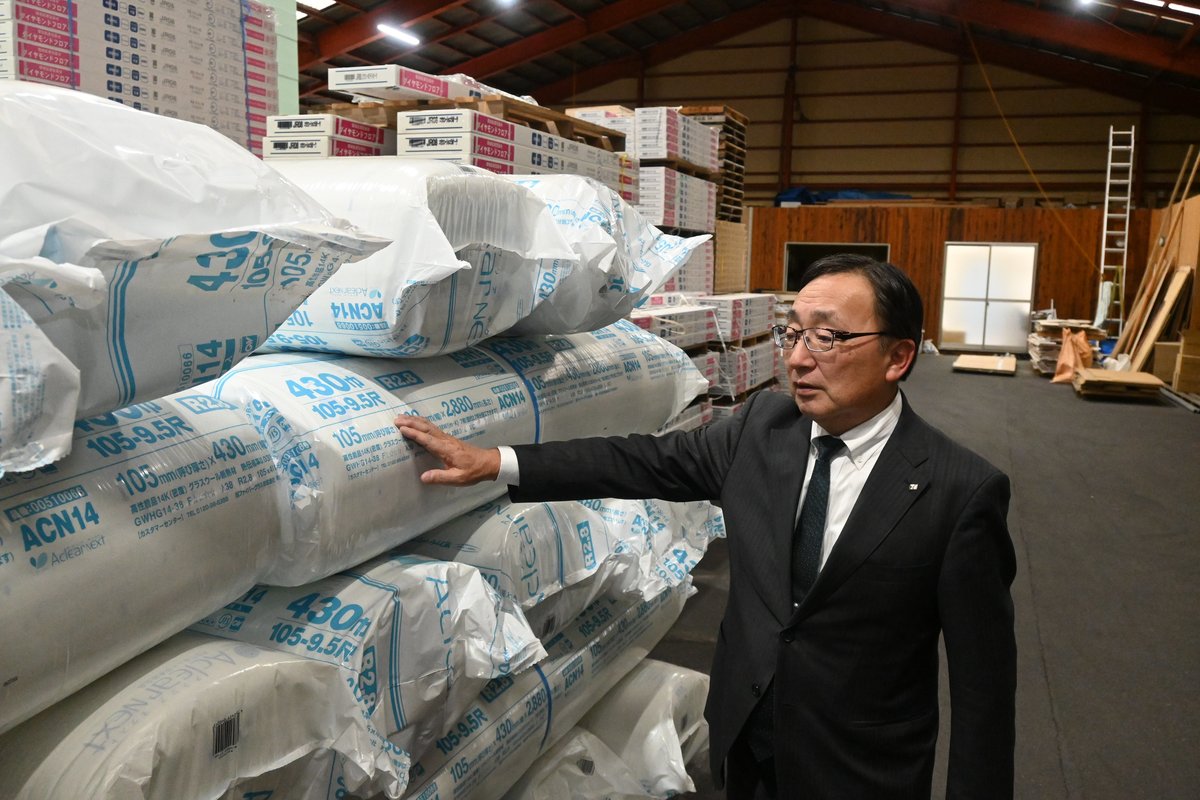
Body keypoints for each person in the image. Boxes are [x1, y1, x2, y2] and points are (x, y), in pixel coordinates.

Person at [395, 253, 1017, 799]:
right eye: (793, 334)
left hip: (859, 767)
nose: (798, 359)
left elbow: (984, 690)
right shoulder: (762, 430)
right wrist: (495, 462)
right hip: (747, 740)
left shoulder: (959, 491)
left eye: (827, 338)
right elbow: (637, 461)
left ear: (898, 356)